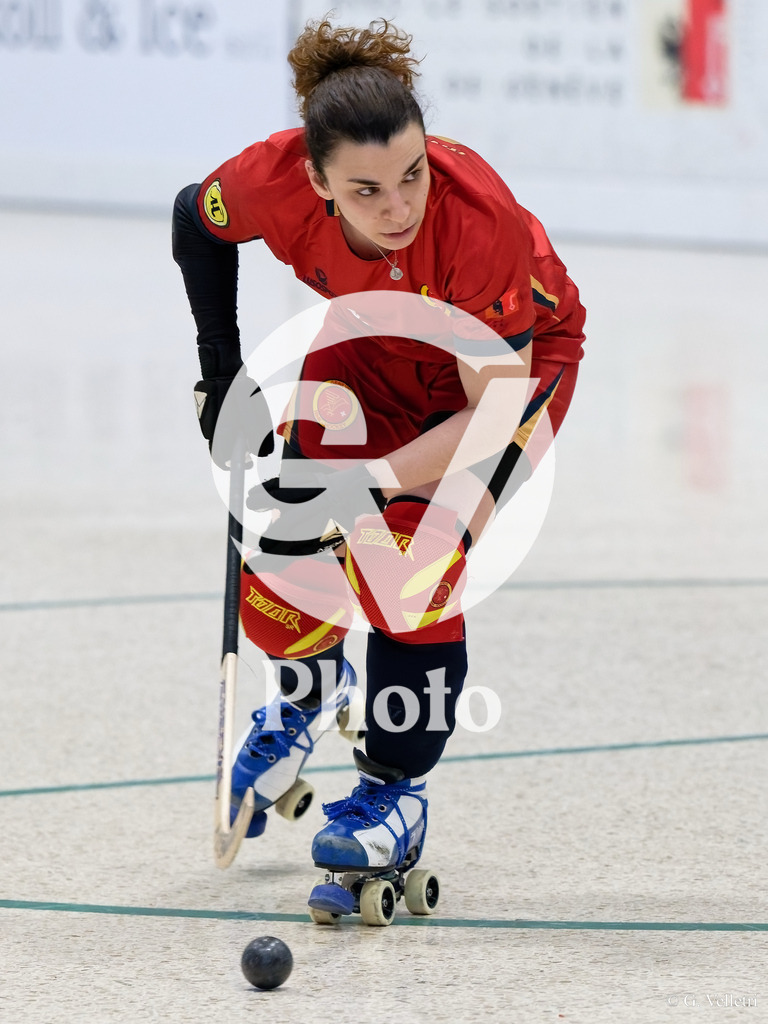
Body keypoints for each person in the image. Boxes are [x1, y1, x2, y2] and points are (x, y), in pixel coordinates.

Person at [172, 17, 585, 912]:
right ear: (316, 183)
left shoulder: (479, 229)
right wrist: (223, 377)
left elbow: (491, 411)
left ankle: (396, 790)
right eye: (367, 190)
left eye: (413, 175)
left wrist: (373, 483)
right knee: (280, 553)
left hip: (505, 376)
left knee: (407, 568)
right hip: (370, 346)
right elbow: (192, 221)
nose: (400, 207)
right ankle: (314, 686)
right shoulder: (271, 180)